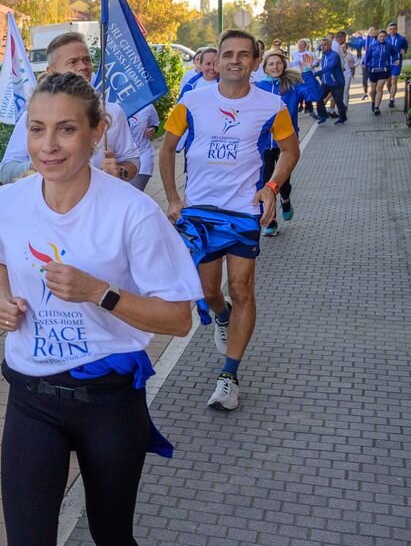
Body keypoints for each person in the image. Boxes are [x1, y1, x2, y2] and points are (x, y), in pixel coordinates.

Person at [0, 72, 202, 546]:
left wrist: (100, 292)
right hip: (32, 399)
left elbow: (179, 318)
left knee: (110, 535)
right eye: (37, 130)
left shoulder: (132, 213)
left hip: (108, 401)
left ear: (99, 132)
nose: (48, 145)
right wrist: (3, 300)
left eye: (66, 130)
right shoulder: (6, 203)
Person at [160, 29, 301, 411]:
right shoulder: (190, 102)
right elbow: (168, 148)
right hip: (201, 211)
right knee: (209, 293)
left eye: (243, 55)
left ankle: (229, 375)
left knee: (242, 289)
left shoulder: (272, 105)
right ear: (217, 60)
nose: (234, 60)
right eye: (227, 54)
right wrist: (174, 197)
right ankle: (220, 316)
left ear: (255, 62)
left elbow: (290, 150)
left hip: (243, 210)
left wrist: (271, 186)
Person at [0, 32, 141, 185]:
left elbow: (132, 160)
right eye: (73, 62)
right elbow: (5, 171)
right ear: (51, 72)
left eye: (87, 60)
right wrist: (36, 166)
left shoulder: (111, 112)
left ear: (98, 130)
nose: (83, 66)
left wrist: (120, 171)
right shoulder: (34, 116)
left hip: (100, 203)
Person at [254, 49, 304, 237]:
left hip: (287, 145)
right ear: (265, 68)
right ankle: (271, 221)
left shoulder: (292, 85)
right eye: (271, 64)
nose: (275, 66)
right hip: (264, 144)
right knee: (267, 182)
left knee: (283, 183)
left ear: (284, 65)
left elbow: (315, 97)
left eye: (278, 63)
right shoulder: (257, 87)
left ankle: (286, 199)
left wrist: (307, 71)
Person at [313, 37, 347, 126]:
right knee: (318, 97)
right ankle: (323, 116)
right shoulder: (323, 55)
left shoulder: (334, 55)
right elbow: (322, 66)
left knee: (338, 101)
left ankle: (343, 118)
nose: (322, 47)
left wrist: (318, 73)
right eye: (321, 45)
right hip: (326, 83)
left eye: (325, 45)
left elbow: (329, 67)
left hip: (337, 83)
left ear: (330, 46)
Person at [126, 104, 160, 189]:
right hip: (122, 160)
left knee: (134, 192)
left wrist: (153, 129)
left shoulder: (147, 105)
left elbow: (155, 123)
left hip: (143, 156)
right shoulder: (115, 109)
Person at [364, 29, 397, 115]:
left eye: (384, 37)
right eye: (380, 36)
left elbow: (395, 53)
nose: (382, 38)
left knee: (379, 88)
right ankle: (373, 102)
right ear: (377, 37)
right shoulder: (373, 46)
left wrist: (396, 59)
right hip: (373, 70)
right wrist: (365, 64)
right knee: (373, 90)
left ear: (386, 37)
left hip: (384, 70)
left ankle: (376, 107)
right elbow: (367, 56)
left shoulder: (389, 46)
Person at [385, 22, 410, 108]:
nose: (392, 30)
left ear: (397, 29)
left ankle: (392, 99)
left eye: (394, 29)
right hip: (387, 63)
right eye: (390, 29)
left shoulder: (401, 39)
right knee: (388, 83)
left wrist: (404, 50)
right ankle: (391, 94)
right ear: (388, 30)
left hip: (396, 63)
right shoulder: (385, 38)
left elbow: (405, 46)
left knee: (394, 81)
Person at [292, 39, 317, 118]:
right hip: (296, 75)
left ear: (305, 46)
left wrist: (309, 67)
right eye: (299, 45)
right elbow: (293, 64)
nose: (300, 46)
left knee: (307, 91)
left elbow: (315, 63)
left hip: (306, 74)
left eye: (302, 45)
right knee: (297, 92)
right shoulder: (294, 54)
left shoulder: (309, 53)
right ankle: (298, 108)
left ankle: (310, 109)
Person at [359, 26, 379, 100]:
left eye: (374, 31)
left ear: (376, 31)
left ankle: (373, 92)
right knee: (364, 80)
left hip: (374, 64)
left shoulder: (379, 39)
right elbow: (366, 52)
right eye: (371, 31)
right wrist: (363, 62)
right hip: (366, 63)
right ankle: (365, 93)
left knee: (373, 80)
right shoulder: (367, 39)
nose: (372, 33)